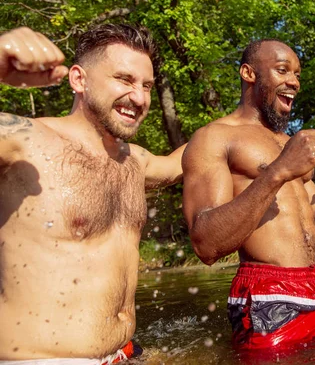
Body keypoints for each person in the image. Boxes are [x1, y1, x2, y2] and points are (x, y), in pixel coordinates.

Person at [182, 39, 315, 349]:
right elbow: (206, 244)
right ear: (249, 73)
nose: (294, 82)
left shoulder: (289, 142)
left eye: (297, 74)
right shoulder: (213, 138)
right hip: (269, 296)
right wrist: (278, 171)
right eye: (282, 70)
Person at [0, 25, 186, 364]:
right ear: (78, 79)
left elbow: (183, 162)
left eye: (146, 85)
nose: (140, 98)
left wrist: (246, 129)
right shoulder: (21, 141)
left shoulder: (135, 161)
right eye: (124, 79)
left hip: (125, 354)